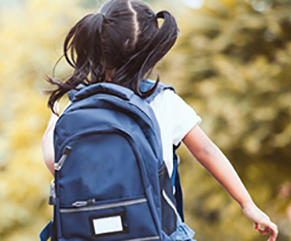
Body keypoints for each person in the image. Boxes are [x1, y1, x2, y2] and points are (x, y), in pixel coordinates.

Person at [41, 0, 279, 240]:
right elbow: (207, 151)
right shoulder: (163, 100)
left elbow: (56, 166)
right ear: (150, 53)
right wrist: (247, 204)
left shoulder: (77, 105)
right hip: (158, 232)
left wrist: (53, 125)